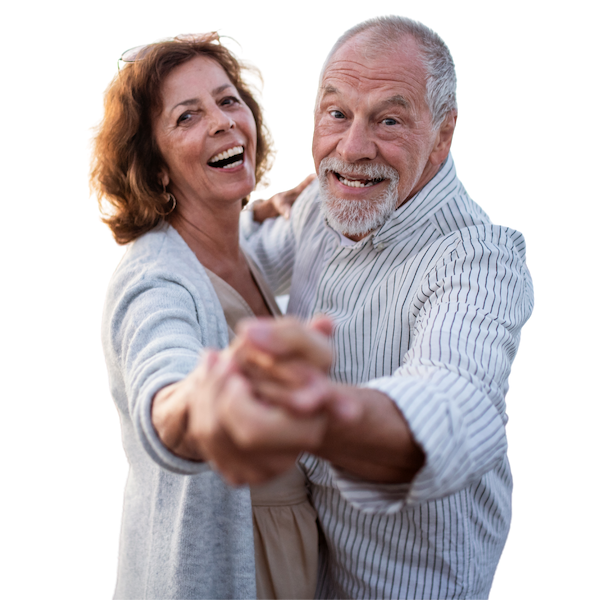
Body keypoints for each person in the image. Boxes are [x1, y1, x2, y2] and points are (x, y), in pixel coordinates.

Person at [158, 15, 536, 600]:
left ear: (441, 134)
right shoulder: (321, 205)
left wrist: (315, 414)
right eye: (337, 114)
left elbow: (454, 398)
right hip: (312, 579)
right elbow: (246, 258)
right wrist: (236, 208)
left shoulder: (479, 261)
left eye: (389, 119)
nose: (354, 148)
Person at [90, 31, 323, 600]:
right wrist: (197, 403)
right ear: (157, 165)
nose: (221, 121)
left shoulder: (241, 248)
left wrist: (329, 173)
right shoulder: (154, 280)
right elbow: (162, 380)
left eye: (226, 100)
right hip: (229, 571)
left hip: (293, 556)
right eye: (187, 116)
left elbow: (288, 224)